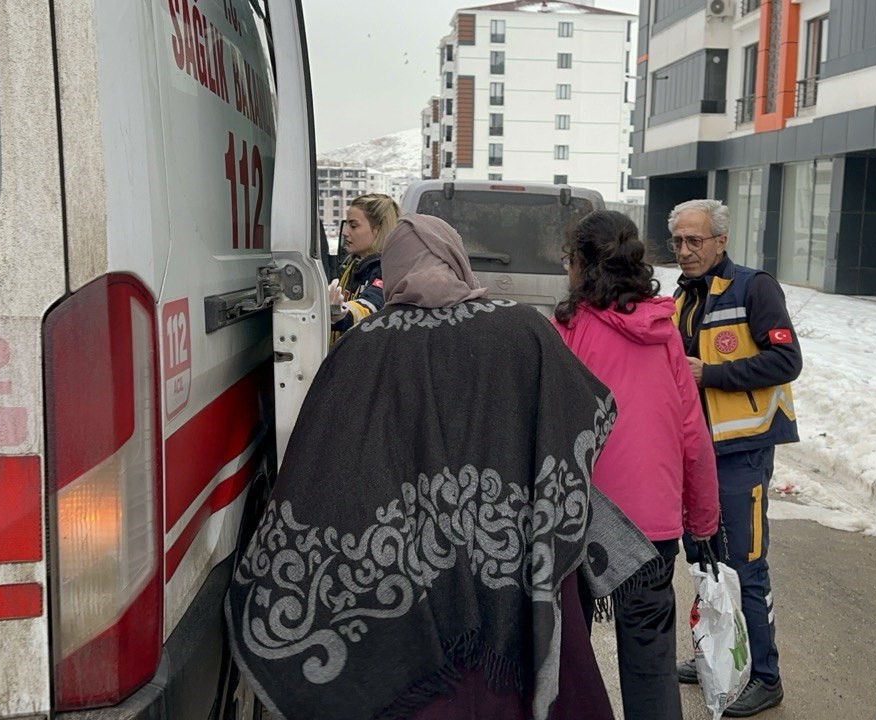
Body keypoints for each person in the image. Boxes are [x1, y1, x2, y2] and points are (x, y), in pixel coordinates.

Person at [226, 213, 661, 720]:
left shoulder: (364, 347)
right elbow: (576, 423)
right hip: (516, 561)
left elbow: (326, 465)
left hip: (402, 579)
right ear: (455, 257)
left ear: (394, 266)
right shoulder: (522, 330)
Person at [550, 210, 719, 720]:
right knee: (651, 662)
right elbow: (692, 433)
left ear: (580, 264)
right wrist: (704, 521)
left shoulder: (568, 330)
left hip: (584, 523)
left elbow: (551, 427)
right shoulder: (665, 333)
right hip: (653, 528)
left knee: (568, 660)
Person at [669, 199, 802, 717]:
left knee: (745, 565)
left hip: (742, 451)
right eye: (678, 242)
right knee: (705, 560)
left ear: (721, 241)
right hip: (696, 452)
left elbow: (787, 360)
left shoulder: (754, 287)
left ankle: (766, 676)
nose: (684, 251)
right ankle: (715, 655)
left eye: (694, 241)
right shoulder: (684, 296)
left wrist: (714, 374)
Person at [328, 193, 400, 341]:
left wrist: (341, 313)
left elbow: (371, 306)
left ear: (378, 230)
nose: (345, 232)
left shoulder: (385, 269)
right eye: (346, 224)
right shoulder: (354, 265)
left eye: (353, 226)